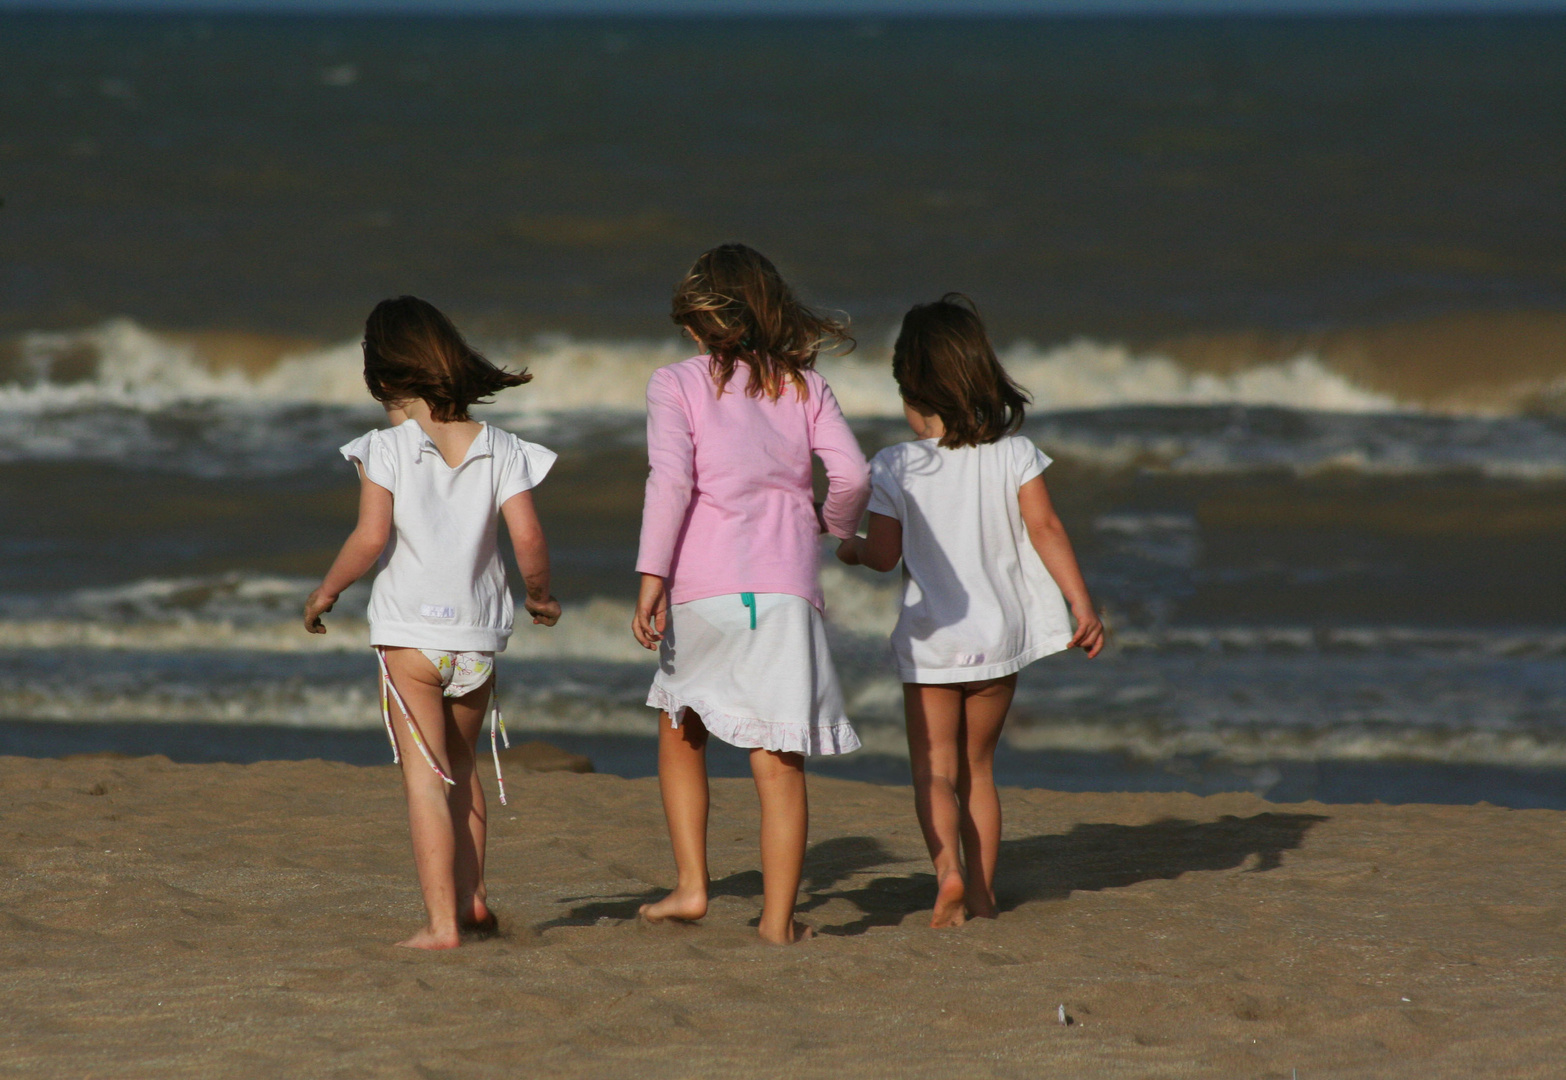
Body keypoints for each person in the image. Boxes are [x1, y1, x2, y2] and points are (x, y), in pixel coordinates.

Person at [837, 293, 1104, 928]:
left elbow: (882, 555)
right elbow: (1046, 529)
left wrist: (847, 549)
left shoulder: (895, 465)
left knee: (935, 773)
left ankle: (949, 877)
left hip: (933, 643)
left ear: (910, 386)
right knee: (979, 771)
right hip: (999, 638)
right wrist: (1080, 603)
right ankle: (982, 894)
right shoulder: (1015, 453)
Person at [303, 295, 561, 950]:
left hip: (409, 639)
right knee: (466, 768)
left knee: (426, 779)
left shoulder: (385, 448)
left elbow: (369, 538)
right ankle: (473, 901)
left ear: (384, 376)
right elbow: (528, 537)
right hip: (476, 640)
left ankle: (442, 923)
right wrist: (538, 596)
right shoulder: (502, 447)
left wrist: (326, 593)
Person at [632, 243, 870, 945]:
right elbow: (852, 475)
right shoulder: (805, 387)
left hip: (703, 587)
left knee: (681, 726)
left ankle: (693, 885)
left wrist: (651, 579)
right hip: (785, 590)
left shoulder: (674, 383)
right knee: (778, 759)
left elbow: (671, 483)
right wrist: (830, 528)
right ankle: (775, 922)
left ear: (701, 321)